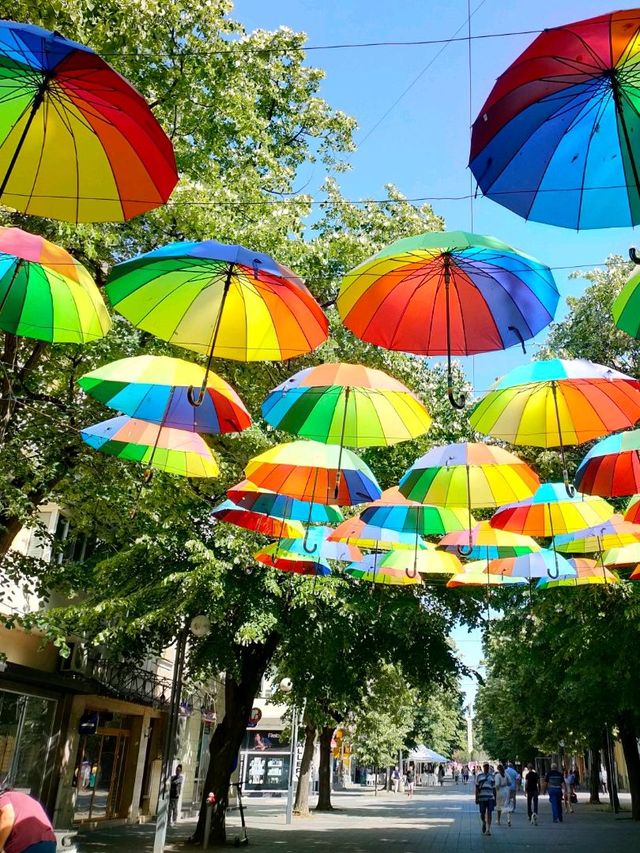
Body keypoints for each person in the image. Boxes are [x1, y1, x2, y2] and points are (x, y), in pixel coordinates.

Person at [0, 789, 57, 853]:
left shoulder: (3, 797)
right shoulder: (23, 799)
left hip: (27, 843)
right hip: (49, 843)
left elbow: (8, 816)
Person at [475, 761, 496, 836]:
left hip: (490, 797)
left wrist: (495, 799)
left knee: (489, 813)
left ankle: (488, 829)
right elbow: (477, 788)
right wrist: (476, 798)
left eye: (487, 766)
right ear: (483, 767)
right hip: (482, 798)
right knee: (482, 813)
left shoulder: (492, 776)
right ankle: (484, 822)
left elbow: (494, 788)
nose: (486, 767)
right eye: (485, 766)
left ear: (488, 767)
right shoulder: (479, 776)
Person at [169, 763, 184, 828]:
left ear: (180, 771)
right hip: (171, 795)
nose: (177, 771)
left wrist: (172, 782)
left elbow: (175, 782)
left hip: (176, 795)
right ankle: (168, 821)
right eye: (176, 770)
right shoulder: (172, 777)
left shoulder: (180, 778)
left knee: (175, 808)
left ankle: (174, 821)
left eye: (178, 770)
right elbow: (170, 783)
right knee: (169, 809)